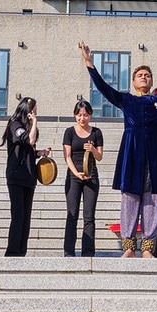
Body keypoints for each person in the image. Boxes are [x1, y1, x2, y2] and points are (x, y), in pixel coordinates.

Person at [80, 41, 157, 258]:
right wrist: (89, 63)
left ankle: (147, 248)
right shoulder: (126, 100)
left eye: (148, 75)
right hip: (133, 155)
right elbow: (103, 88)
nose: (144, 77)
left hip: (156, 158)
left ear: (152, 81)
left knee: (153, 202)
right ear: (134, 81)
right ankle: (129, 247)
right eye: (140, 75)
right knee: (129, 200)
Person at [4, 97, 49, 256]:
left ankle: (22, 251)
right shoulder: (15, 124)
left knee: (26, 217)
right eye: (33, 111)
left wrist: (39, 153)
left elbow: (28, 149)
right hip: (16, 177)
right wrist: (35, 122)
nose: (35, 114)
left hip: (29, 178)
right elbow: (28, 140)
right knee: (18, 215)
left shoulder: (28, 127)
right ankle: (12, 252)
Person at [62, 100, 104, 257]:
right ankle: (69, 252)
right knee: (72, 214)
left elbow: (99, 157)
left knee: (89, 216)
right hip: (74, 177)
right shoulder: (69, 132)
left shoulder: (96, 132)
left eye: (85, 115)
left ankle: (88, 253)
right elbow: (67, 156)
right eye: (79, 115)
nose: (82, 119)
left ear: (90, 116)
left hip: (91, 176)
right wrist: (75, 173)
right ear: (75, 116)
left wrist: (93, 149)